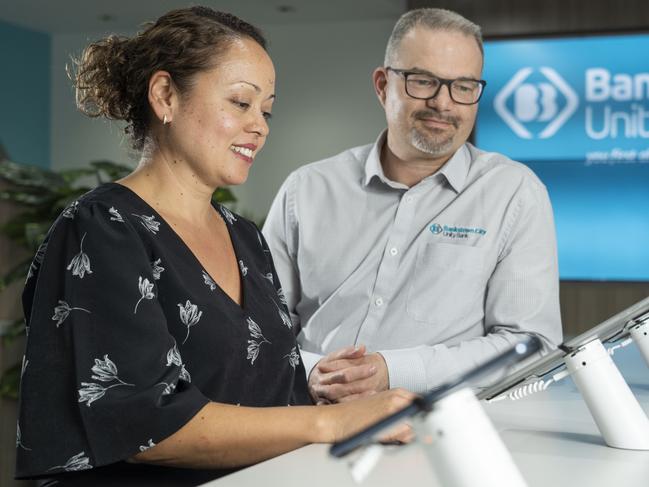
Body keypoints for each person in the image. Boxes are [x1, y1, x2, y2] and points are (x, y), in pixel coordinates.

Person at [15, 7, 414, 486]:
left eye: (266, 110)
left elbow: (258, 394)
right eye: (241, 103)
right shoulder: (104, 228)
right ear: (165, 95)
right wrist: (330, 424)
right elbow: (145, 423)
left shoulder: (245, 237)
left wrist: (322, 395)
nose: (260, 126)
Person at [263, 8, 563, 405]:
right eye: (423, 81)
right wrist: (315, 370)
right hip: (303, 418)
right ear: (382, 85)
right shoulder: (307, 189)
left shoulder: (514, 193)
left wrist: (389, 372)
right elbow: (258, 329)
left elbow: (531, 345)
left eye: (464, 86)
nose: (443, 103)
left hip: (440, 429)